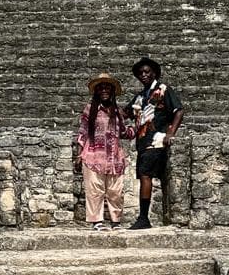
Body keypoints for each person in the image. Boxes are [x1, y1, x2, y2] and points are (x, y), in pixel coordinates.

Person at [125, 56, 184, 230]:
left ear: (154, 73)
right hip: (142, 142)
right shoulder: (139, 97)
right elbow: (125, 113)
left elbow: (178, 111)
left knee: (145, 175)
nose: (144, 75)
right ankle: (144, 218)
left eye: (147, 72)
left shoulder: (163, 90)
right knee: (144, 175)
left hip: (156, 140)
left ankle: (143, 218)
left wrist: (170, 133)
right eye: (141, 72)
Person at [75, 73, 135, 231]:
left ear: (112, 91)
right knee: (95, 190)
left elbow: (123, 132)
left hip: (114, 156)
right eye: (101, 87)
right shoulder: (90, 109)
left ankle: (116, 222)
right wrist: (78, 155)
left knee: (116, 191)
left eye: (107, 87)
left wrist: (139, 127)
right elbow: (83, 132)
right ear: (96, 91)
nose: (104, 90)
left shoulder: (116, 111)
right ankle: (97, 222)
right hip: (93, 155)